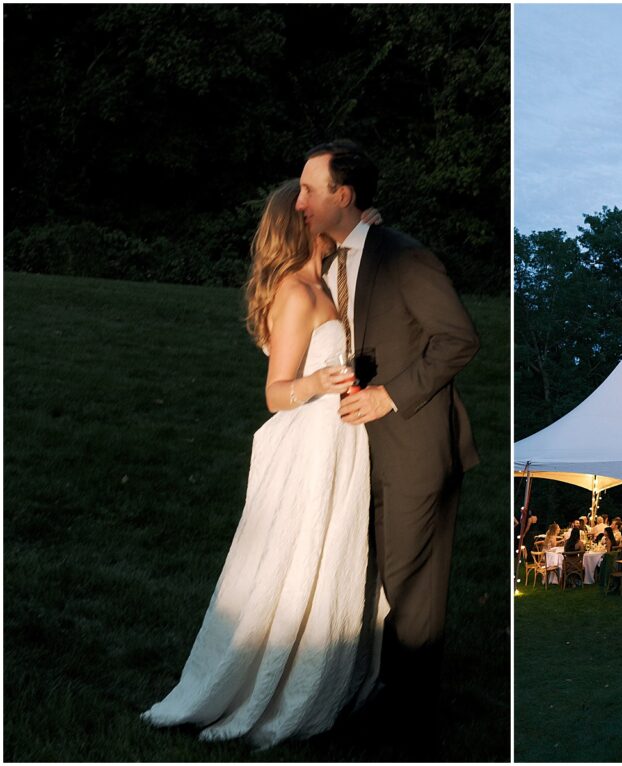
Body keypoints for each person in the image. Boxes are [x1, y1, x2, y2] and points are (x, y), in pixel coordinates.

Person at [141, 181, 387, 748]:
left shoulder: (324, 279)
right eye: (313, 207)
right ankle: (267, 685)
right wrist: (318, 382)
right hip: (311, 441)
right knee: (294, 560)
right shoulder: (297, 292)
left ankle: (323, 674)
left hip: (340, 441)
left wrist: (365, 226)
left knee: (330, 556)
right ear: (300, 223)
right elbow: (275, 393)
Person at [297, 140, 480, 728]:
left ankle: (407, 720)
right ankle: (382, 691)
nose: (298, 201)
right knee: (378, 575)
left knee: (410, 584)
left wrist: (387, 395)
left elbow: (458, 339)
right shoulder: (337, 260)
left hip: (414, 446)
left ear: (342, 196)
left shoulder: (404, 256)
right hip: (360, 450)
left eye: (308, 190)